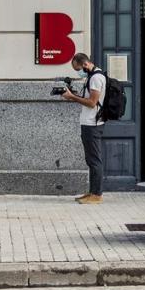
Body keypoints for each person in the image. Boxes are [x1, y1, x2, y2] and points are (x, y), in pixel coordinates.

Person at [59, 52, 108, 204]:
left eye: (78, 69)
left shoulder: (95, 78)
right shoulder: (92, 76)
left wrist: (72, 97)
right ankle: (92, 192)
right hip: (89, 122)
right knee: (91, 159)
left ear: (85, 64)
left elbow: (92, 103)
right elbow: (88, 100)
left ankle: (97, 195)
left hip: (92, 124)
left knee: (94, 160)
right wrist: (73, 94)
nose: (78, 72)